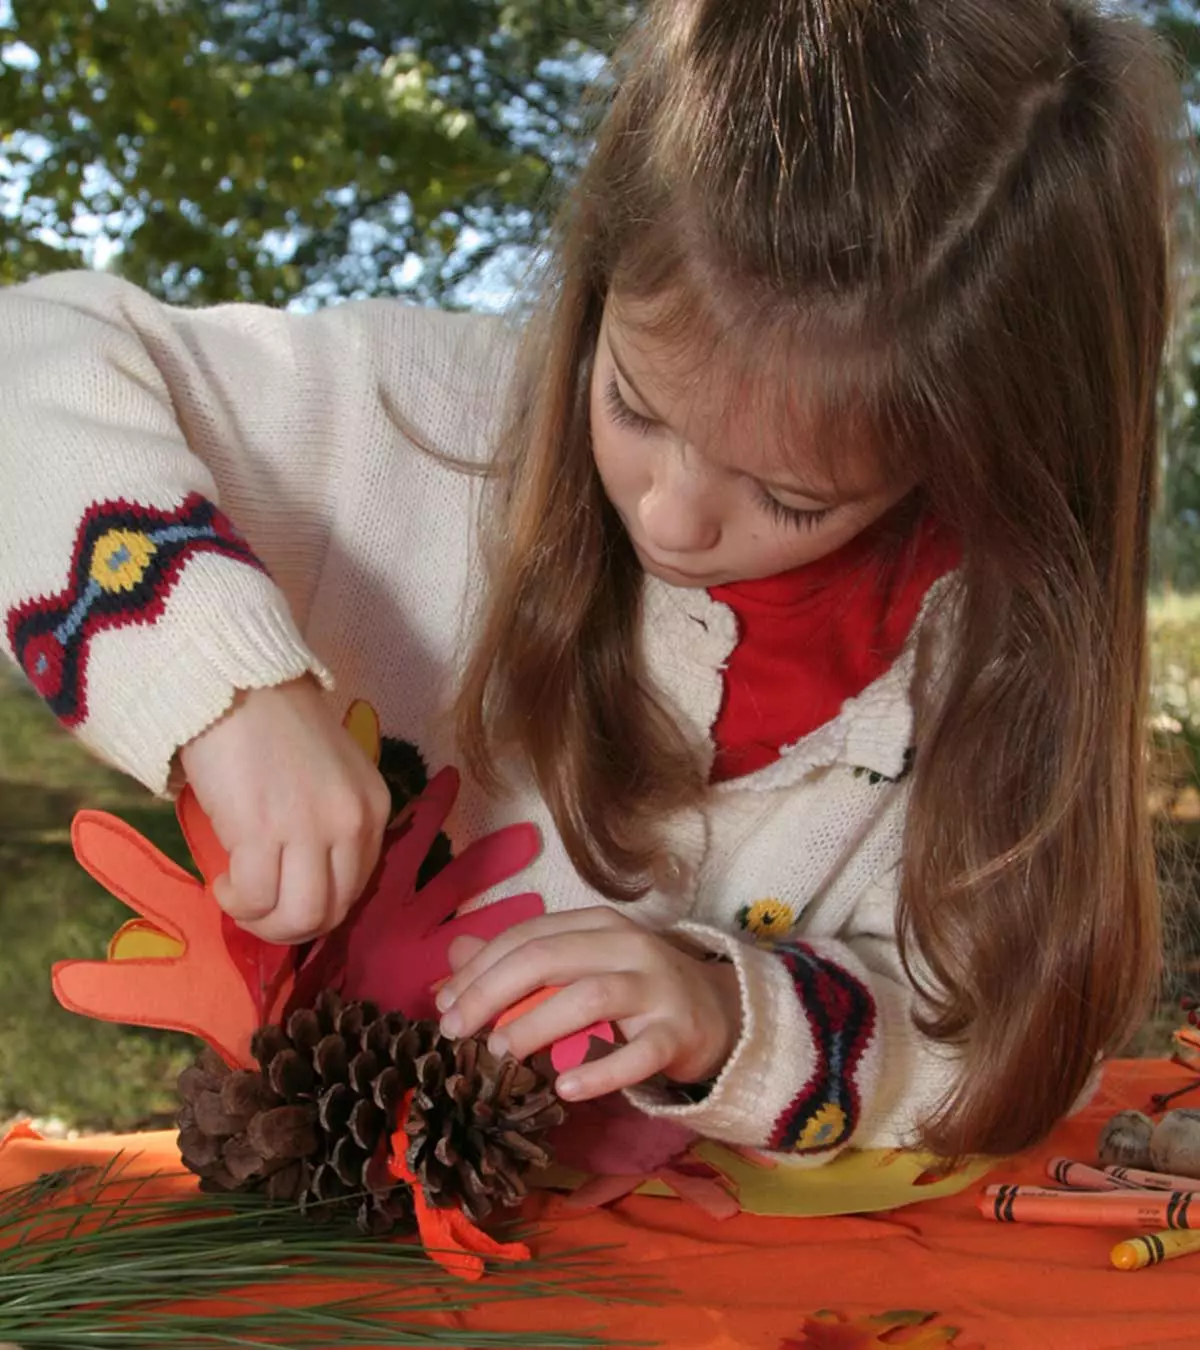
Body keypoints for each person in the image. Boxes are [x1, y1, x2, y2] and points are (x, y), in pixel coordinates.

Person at [0, 0, 1185, 1164]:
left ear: (971, 457)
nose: (671, 512)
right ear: (599, 282)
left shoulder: (981, 660)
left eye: (791, 498)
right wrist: (221, 686)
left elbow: (1002, 1042)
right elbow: (26, 366)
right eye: (633, 403)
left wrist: (734, 1018)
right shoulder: (419, 424)